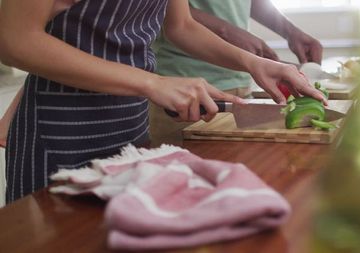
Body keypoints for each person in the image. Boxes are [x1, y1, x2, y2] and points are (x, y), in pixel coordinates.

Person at [0, 0, 326, 203]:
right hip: (61, 133)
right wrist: (152, 82)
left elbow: (180, 26)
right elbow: (14, 39)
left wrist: (255, 64)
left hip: (130, 129)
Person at [149, 0, 323, 146]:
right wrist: (225, 31)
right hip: (184, 89)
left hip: (240, 80)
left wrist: (289, 31)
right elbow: (170, 15)